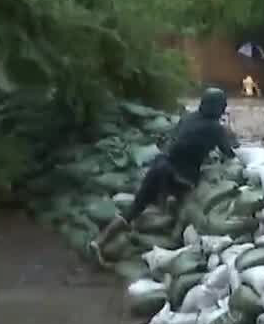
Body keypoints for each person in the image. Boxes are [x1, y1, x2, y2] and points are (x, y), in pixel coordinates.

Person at [89, 88, 238, 266]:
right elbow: (229, 153)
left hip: (160, 166)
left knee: (135, 208)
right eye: (223, 106)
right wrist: (229, 135)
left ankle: (99, 241)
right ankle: (175, 246)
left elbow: (180, 140)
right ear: (217, 107)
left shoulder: (189, 118)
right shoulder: (215, 128)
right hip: (180, 176)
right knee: (188, 205)